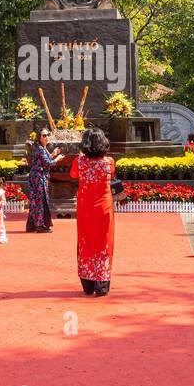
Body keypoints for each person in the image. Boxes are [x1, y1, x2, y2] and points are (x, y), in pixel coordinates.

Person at [71, 127, 116, 296]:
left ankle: (88, 284)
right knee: (104, 242)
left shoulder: (79, 162)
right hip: (104, 207)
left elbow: (74, 175)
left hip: (85, 208)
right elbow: (112, 175)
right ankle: (102, 284)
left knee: (86, 241)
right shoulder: (109, 162)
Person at [26, 128, 64, 233]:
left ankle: (33, 225)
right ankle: (39, 225)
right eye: (44, 135)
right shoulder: (40, 148)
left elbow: (45, 159)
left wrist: (53, 154)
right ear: (39, 137)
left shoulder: (43, 148)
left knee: (37, 200)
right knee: (40, 200)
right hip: (38, 177)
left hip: (39, 176)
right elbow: (47, 163)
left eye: (48, 135)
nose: (46, 137)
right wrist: (57, 159)